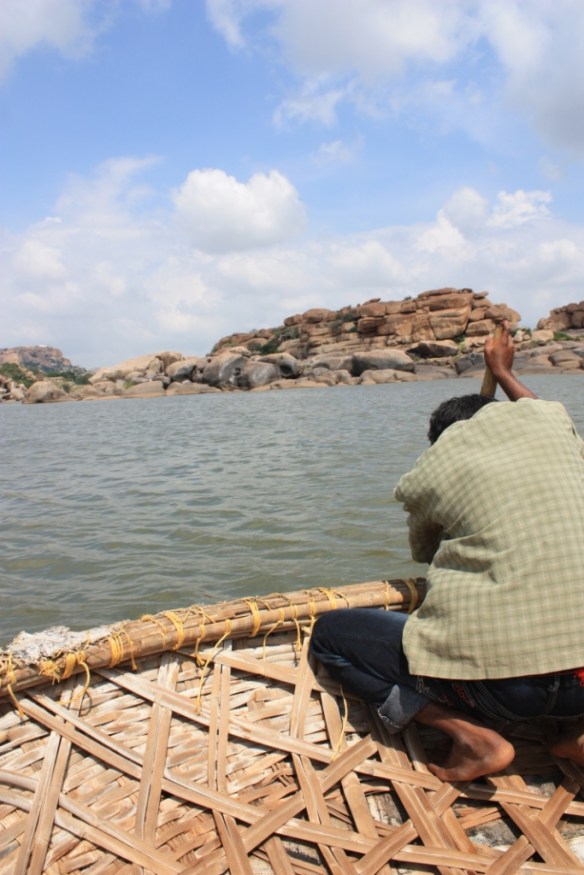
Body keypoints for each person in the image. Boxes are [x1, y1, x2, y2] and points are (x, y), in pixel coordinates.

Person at [310, 322, 584, 782]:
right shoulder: (558, 432)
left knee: (331, 636)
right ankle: (576, 732)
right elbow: (535, 408)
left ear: (440, 439)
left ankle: (472, 736)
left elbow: (423, 551)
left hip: (500, 689)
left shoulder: (429, 471)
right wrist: (501, 369)